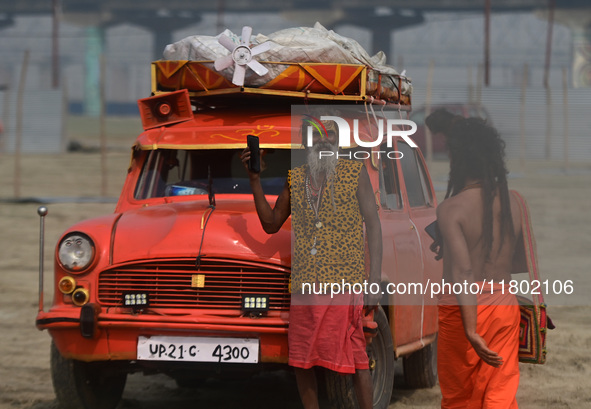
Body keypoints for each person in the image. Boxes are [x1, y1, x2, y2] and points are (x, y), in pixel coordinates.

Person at [241, 118, 382, 409]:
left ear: (338, 143)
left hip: (344, 282)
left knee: (356, 358)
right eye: (316, 137)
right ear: (307, 144)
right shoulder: (296, 178)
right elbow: (270, 224)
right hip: (306, 285)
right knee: (303, 359)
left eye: (328, 136)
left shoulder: (355, 173)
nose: (323, 141)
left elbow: (374, 224)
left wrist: (375, 279)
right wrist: (254, 179)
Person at [427, 114, 522, 409]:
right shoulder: (515, 201)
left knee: (459, 396)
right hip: (504, 305)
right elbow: (519, 261)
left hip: (462, 309)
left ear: (457, 158)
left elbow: (464, 271)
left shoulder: (450, 209)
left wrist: (471, 330)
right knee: (499, 394)